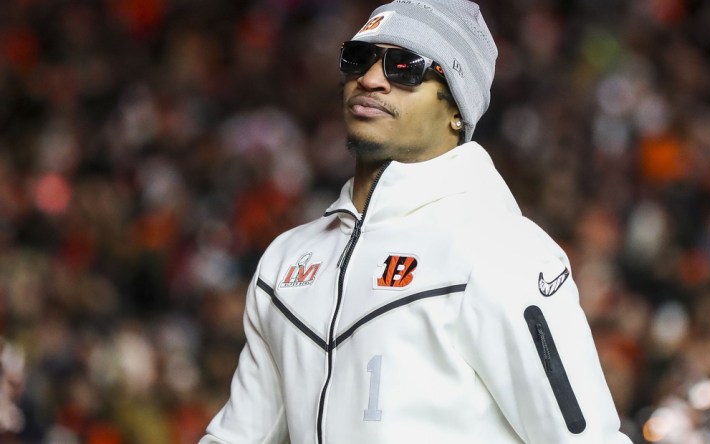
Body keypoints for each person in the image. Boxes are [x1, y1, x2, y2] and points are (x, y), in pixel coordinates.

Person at [200, 1, 633, 443]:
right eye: (359, 58)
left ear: (456, 110)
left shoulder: (501, 250)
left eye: (404, 67)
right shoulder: (287, 260)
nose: (370, 80)